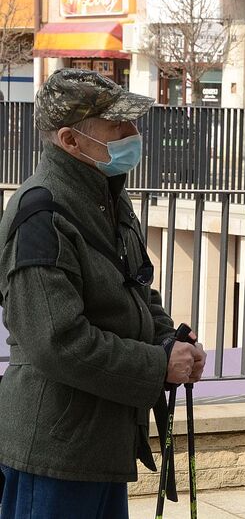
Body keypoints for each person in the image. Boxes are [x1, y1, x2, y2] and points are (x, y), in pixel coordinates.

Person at [0, 69, 207, 518]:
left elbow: (137, 288)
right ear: (71, 141)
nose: (134, 134)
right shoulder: (41, 213)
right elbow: (58, 342)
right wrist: (157, 365)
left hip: (100, 444)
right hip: (56, 449)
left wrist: (171, 342)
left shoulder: (108, 195)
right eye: (119, 126)